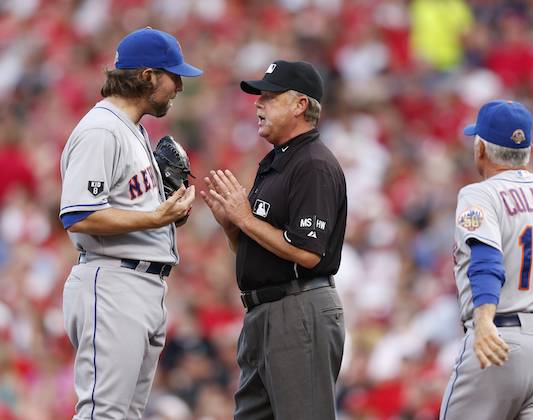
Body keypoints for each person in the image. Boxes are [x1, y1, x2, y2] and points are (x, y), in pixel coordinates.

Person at [59, 27, 200, 419]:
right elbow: (78, 215)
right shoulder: (101, 130)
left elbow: (132, 212)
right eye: (175, 77)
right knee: (102, 413)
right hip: (113, 282)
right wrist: (156, 215)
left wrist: (168, 215)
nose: (179, 88)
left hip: (141, 285)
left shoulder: (131, 129)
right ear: (147, 75)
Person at [200, 60, 347, 419]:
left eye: (269, 96)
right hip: (266, 312)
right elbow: (256, 249)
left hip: (299, 308)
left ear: (300, 105)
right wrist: (233, 227)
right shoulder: (279, 161)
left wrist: (245, 219)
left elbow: (309, 253)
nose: (257, 104)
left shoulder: (312, 163)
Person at [439, 100, 533, 420]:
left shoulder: (479, 194)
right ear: (528, 151)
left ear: (480, 148)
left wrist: (483, 320)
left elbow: (486, 261)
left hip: (500, 338)